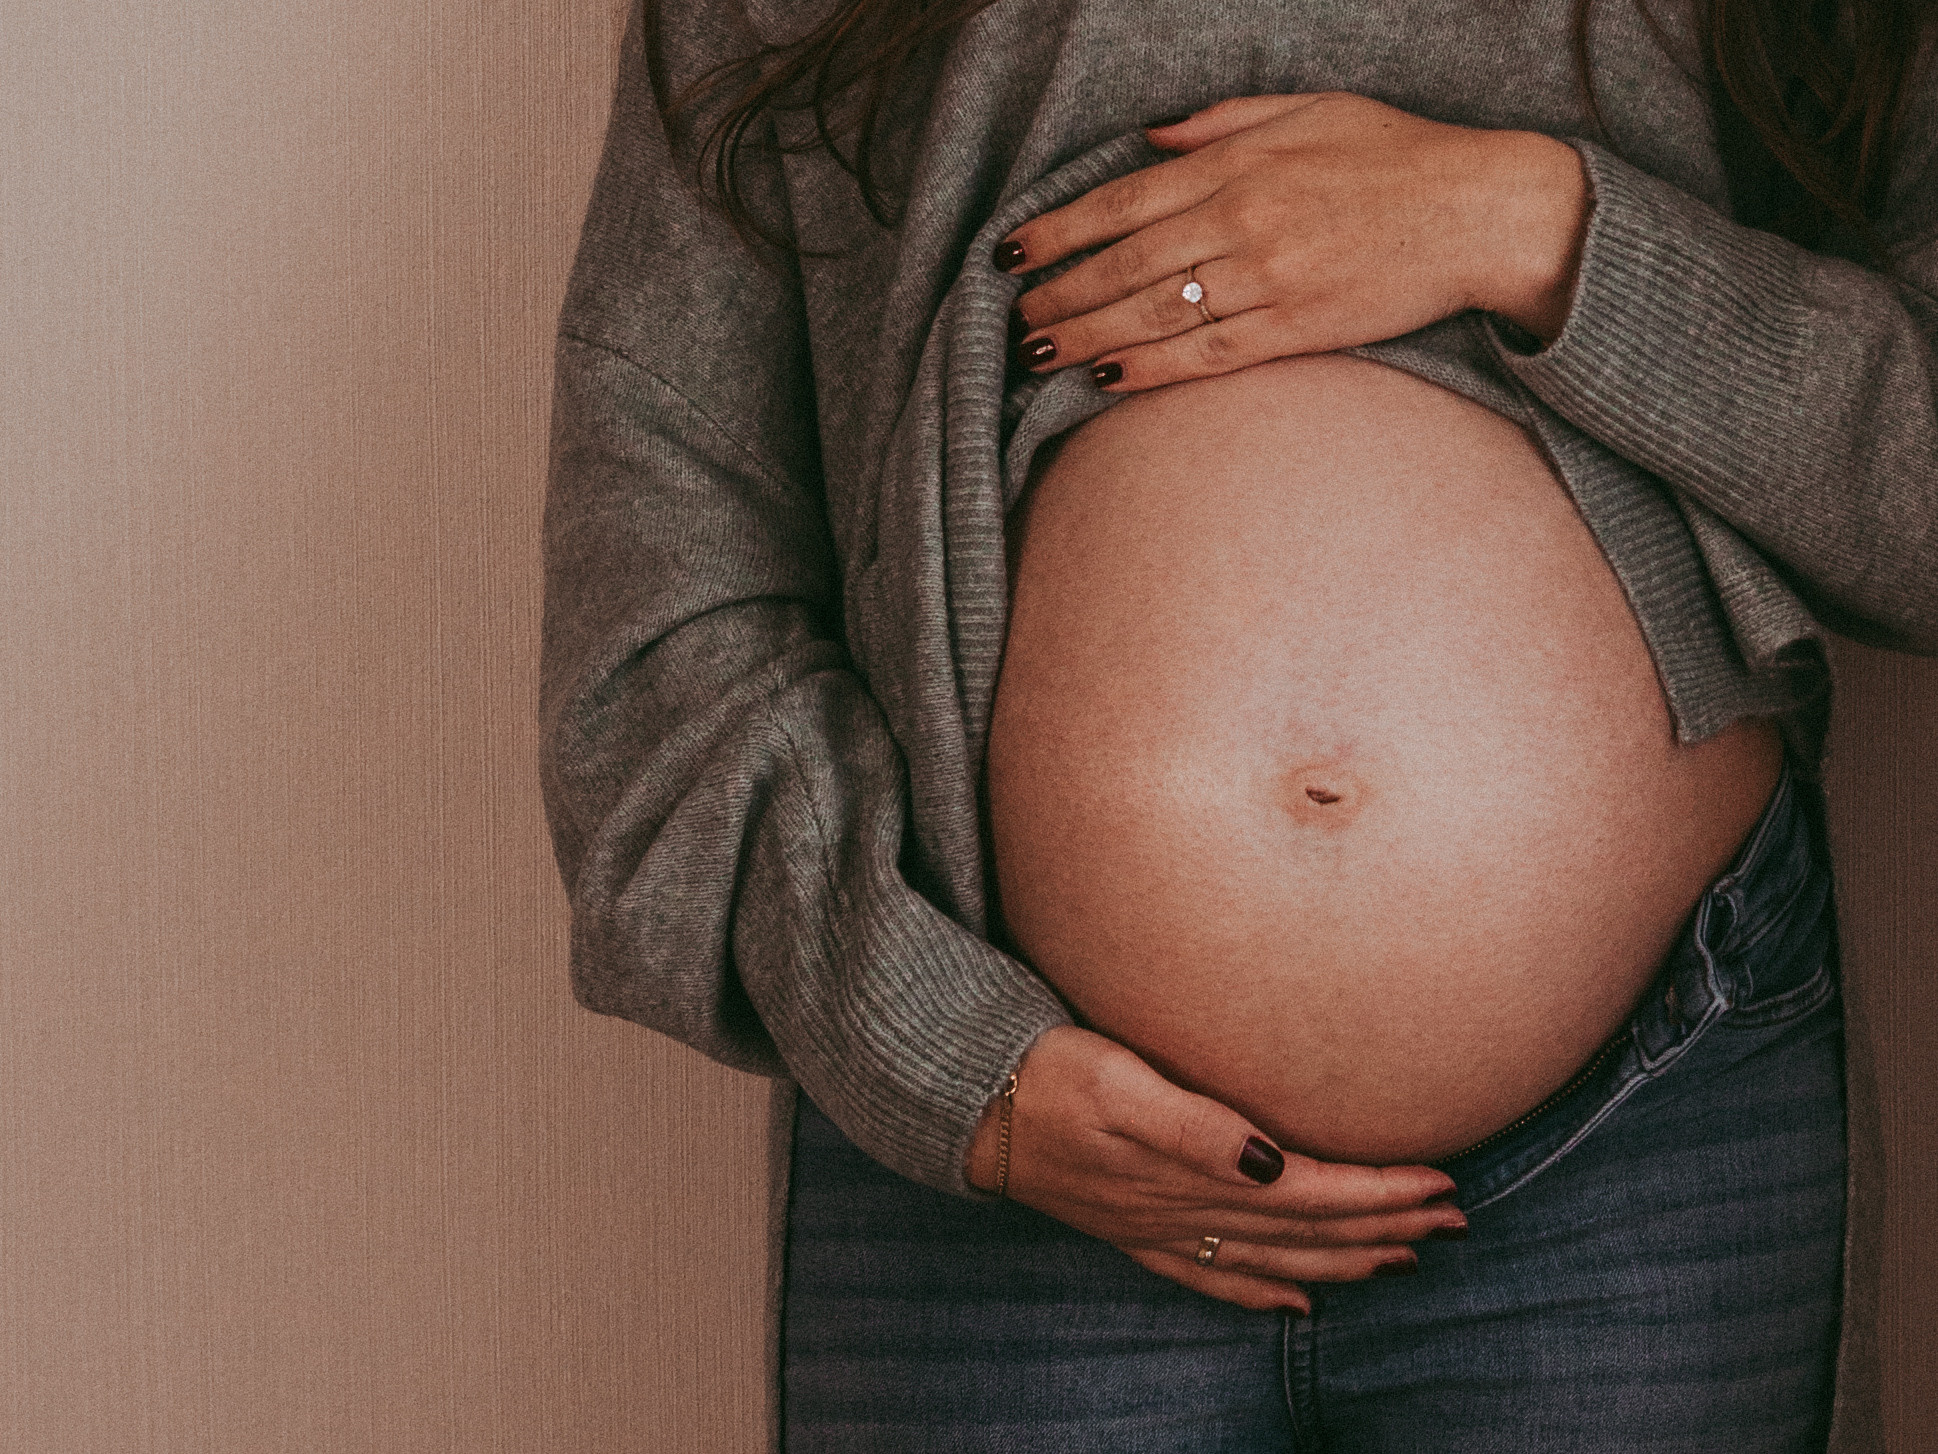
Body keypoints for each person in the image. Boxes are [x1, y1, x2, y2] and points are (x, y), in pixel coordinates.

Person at [539, 0, 1937, 1446]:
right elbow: (658, 620)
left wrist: (1532, 226)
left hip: (1647, 1151)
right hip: (1002, 1187)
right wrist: (940, 1053)